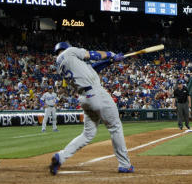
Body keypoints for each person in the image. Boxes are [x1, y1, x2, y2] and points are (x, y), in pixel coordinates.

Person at [49, 42, 133, 175]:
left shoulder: (59, 65)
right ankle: (125, 164)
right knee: (115, 126)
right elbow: (92, 55)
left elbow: (91, 68)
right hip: (96, 93)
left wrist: (110, 61)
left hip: (84, 98)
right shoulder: (70, 51)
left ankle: (61, 156)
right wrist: (111, 54)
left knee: (88, 134)